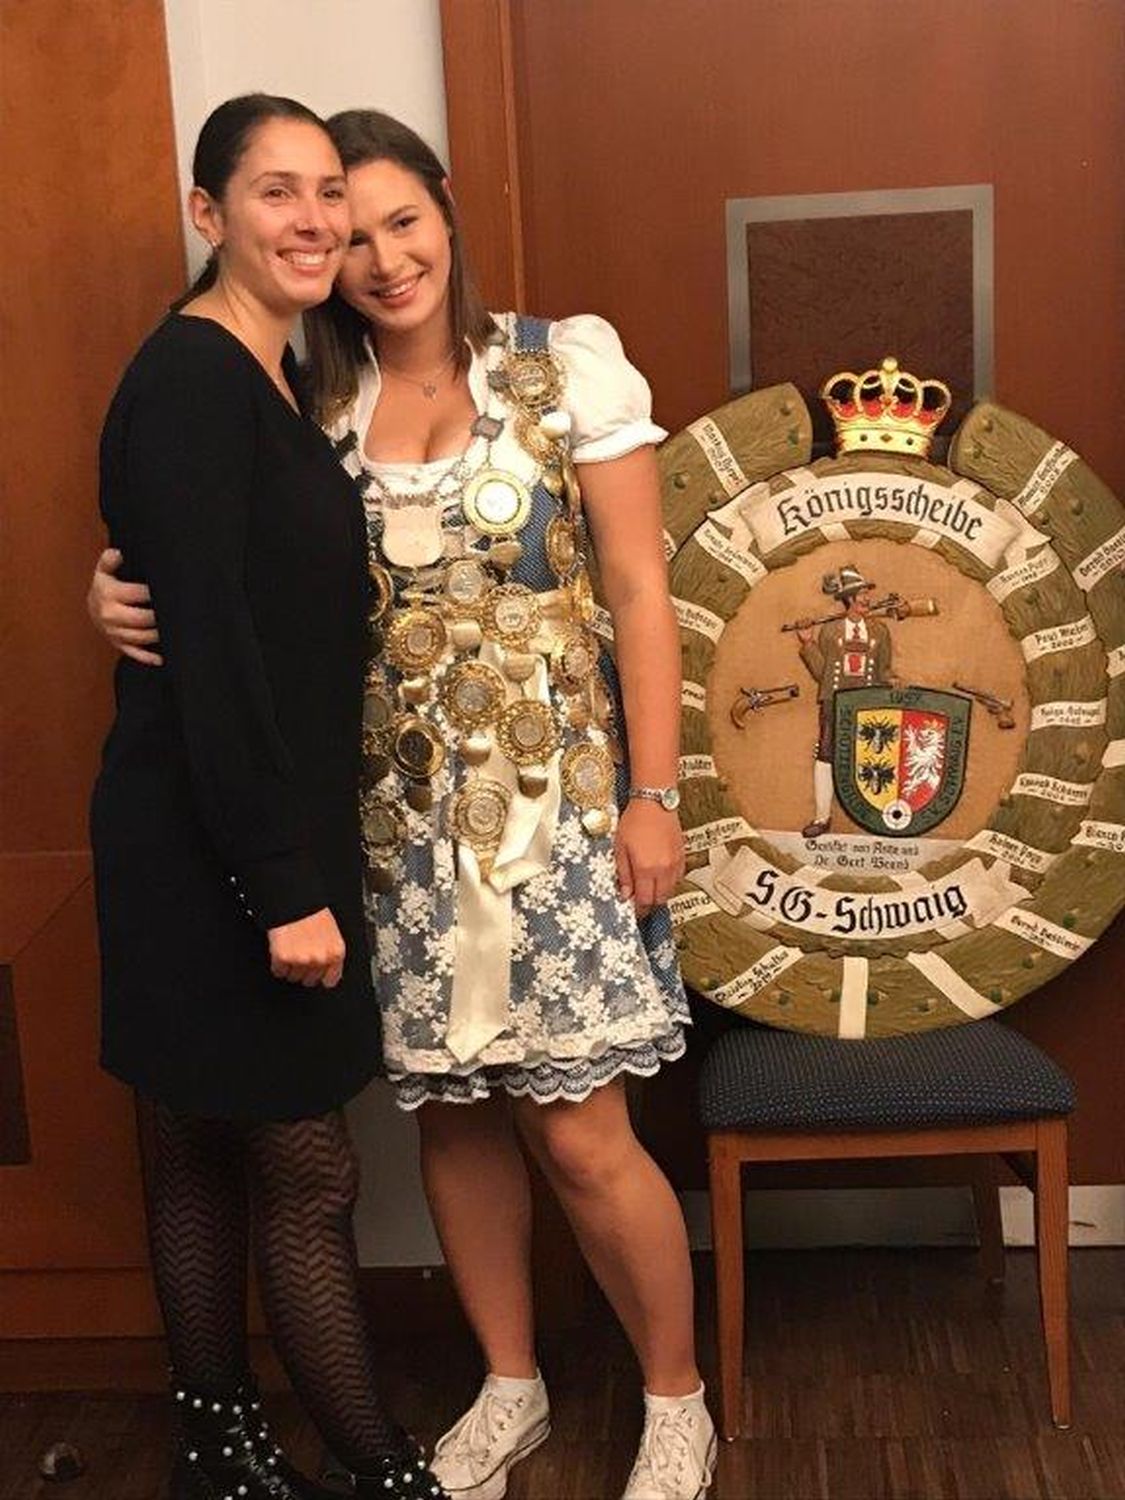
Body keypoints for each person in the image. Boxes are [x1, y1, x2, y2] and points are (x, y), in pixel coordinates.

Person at [91, 106, 715, 1500]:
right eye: (345, 225)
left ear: (446, 211)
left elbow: (638, 594)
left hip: (558, 813)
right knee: (455, 1121)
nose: (376, 255)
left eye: (398, 220)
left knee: (581, 1131)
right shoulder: (305, 394)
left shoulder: (561, 367)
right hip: (392, 824)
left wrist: (655, 793)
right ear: (222, 216)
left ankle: (677, 1399)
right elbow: (231, 561)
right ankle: (510, 1384)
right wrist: (114, 587)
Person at [91, 94, 444, 1500]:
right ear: (209, 213)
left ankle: (220, 1451)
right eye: (277, 193)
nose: (315, 223)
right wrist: (282, 886)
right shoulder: (194, 377)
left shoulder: (269, 374)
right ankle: (378, 1470)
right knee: (306, 1172)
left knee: (195, 1149)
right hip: (214, 844)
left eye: (329, 196)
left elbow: (211, 594)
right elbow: (218, 656)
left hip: (218, 822)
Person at [795, 564, 893, 839]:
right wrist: (807, 643)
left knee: (871, 756)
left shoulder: (880, 631)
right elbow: (822, 674)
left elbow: (884, 671)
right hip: (834, 701)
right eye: (862, 594)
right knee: (826, 755)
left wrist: (892, 683)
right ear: (849, 598)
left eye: (867, 594)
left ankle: (876, 817)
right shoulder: (830, 631)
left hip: (868, 703)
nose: (867, 599)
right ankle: (822, 818)